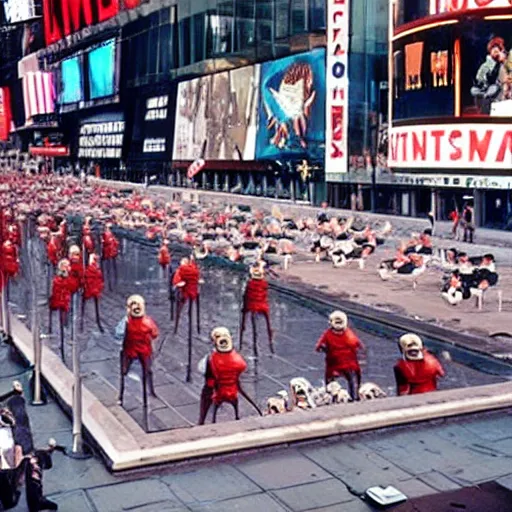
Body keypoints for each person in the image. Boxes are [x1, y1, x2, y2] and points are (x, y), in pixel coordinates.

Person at [315, 310, 365, 401]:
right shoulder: (349, 334)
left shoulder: (328, 334)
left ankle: (331, 396)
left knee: (330, 381)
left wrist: (326, 350)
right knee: (353, 381)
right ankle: (355, 396)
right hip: (350, 364)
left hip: (333, 364)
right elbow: (357, 345)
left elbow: (319, 347)